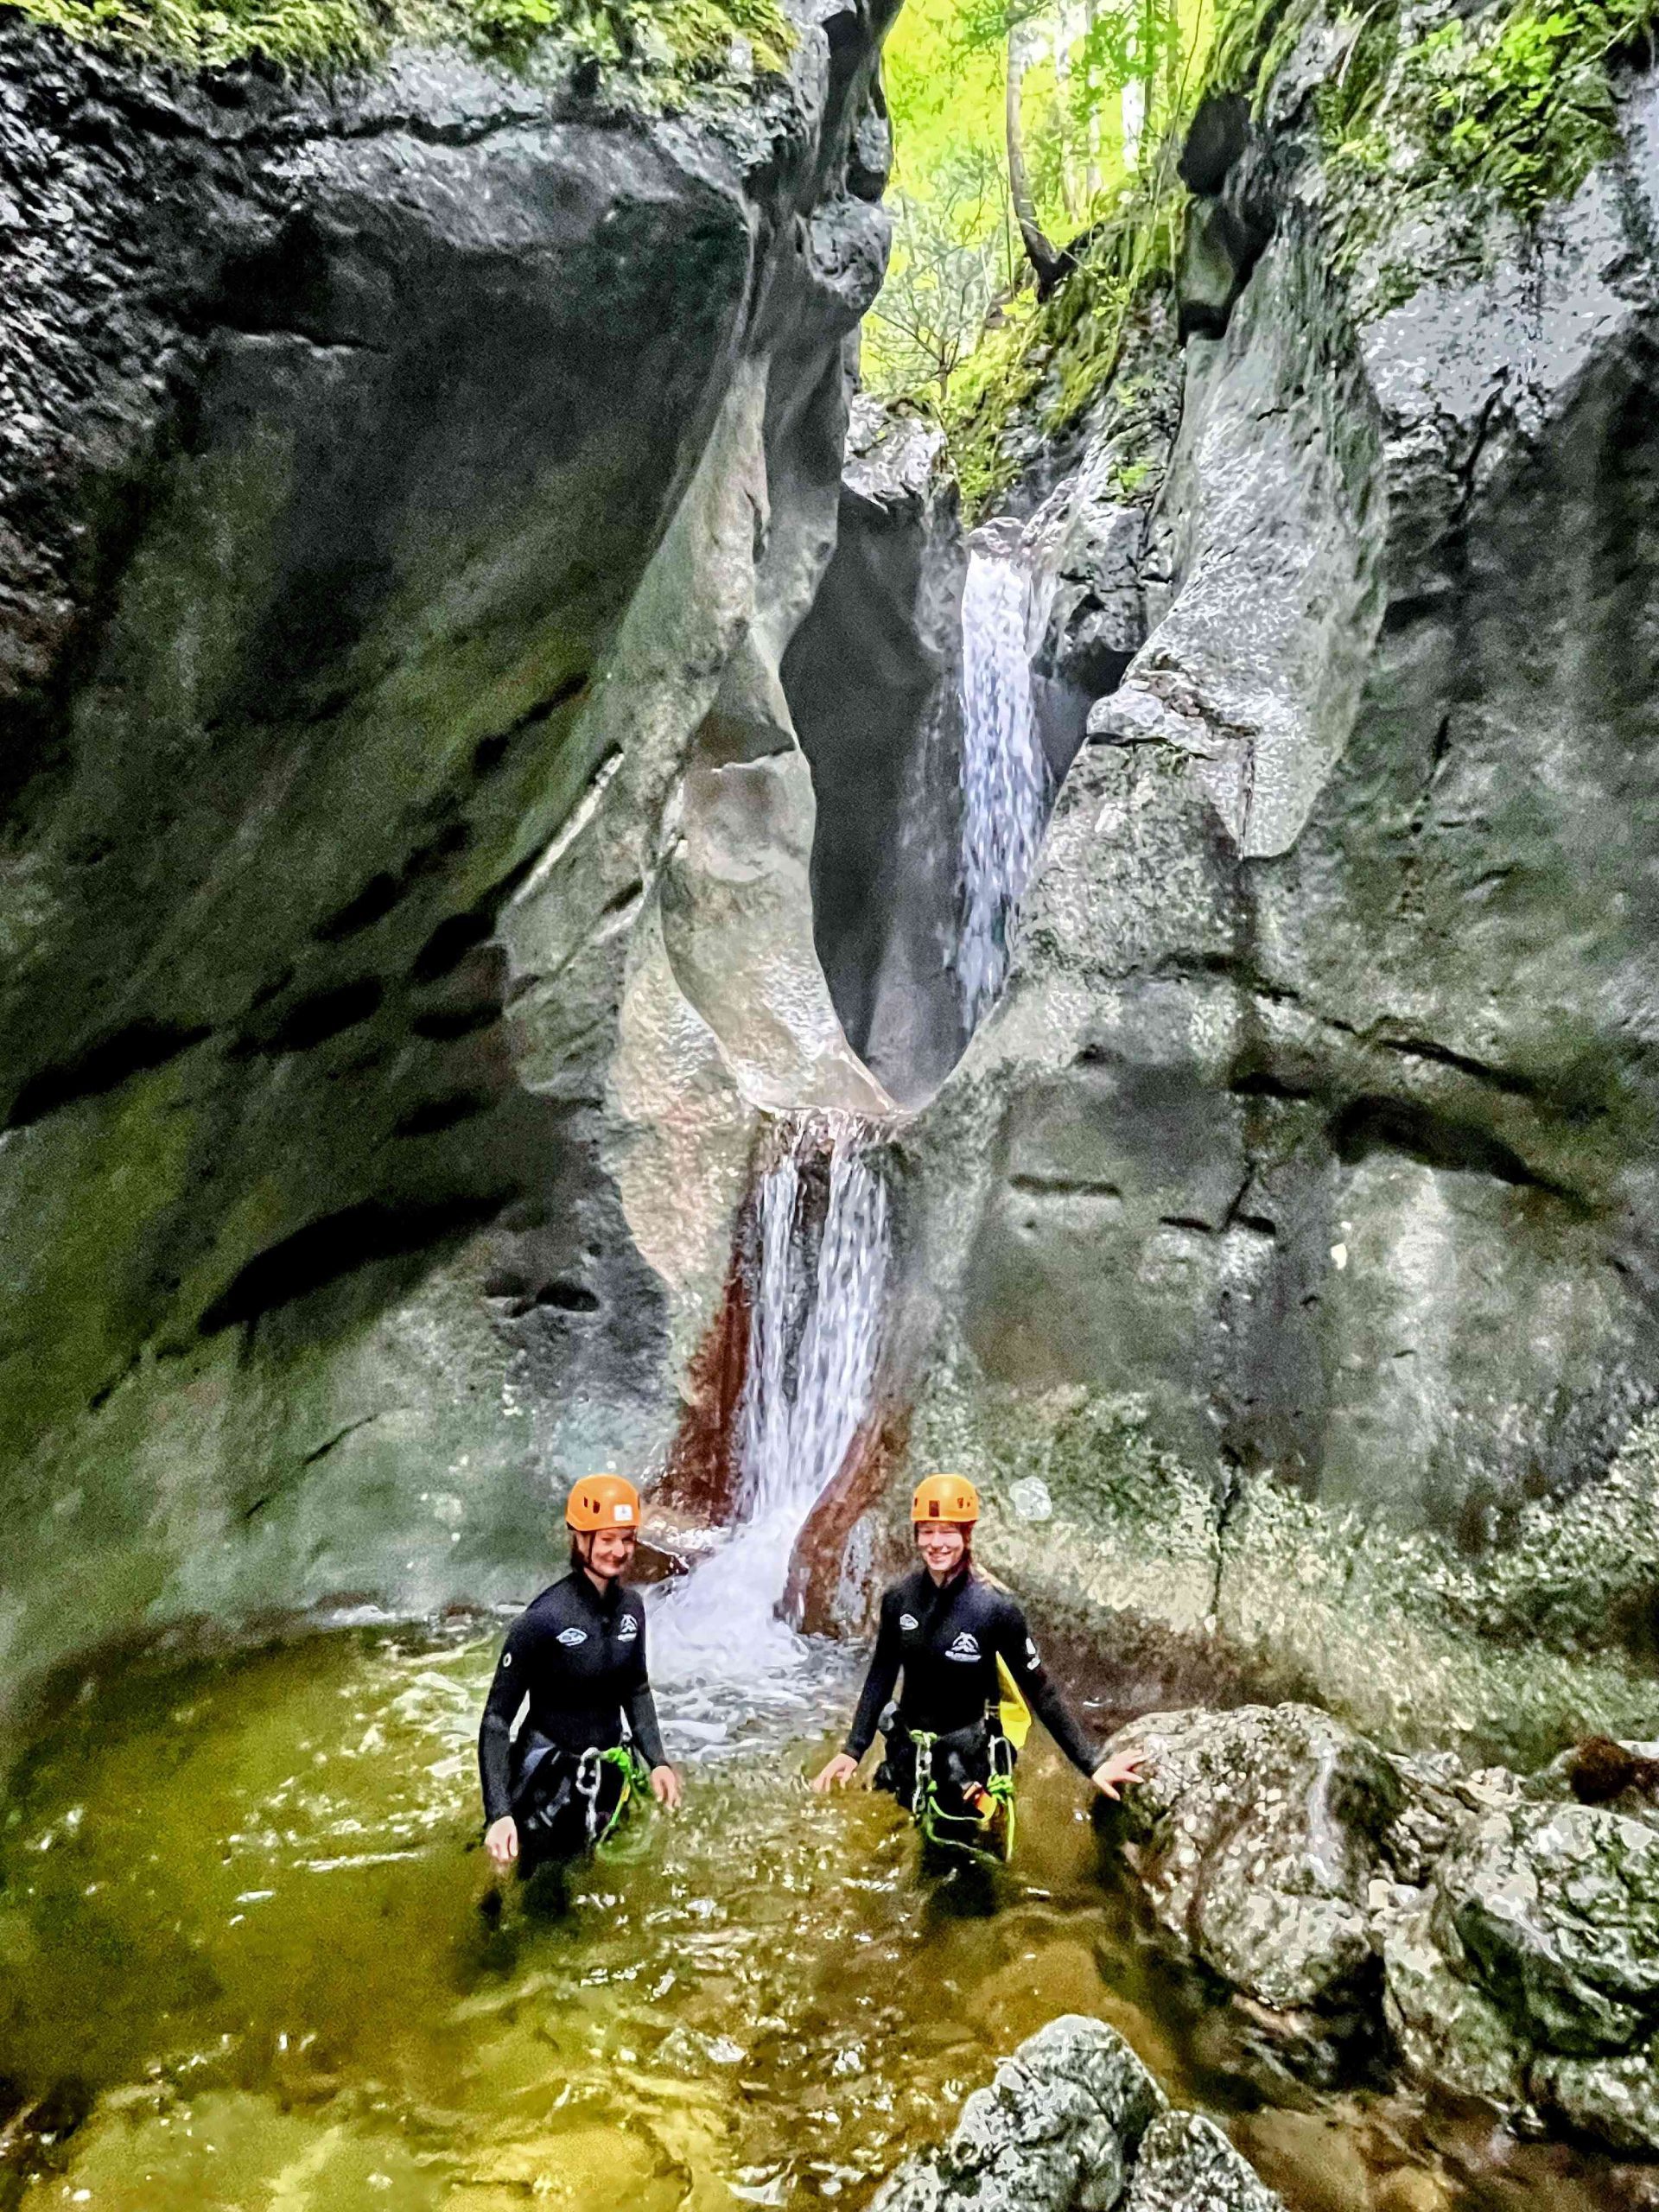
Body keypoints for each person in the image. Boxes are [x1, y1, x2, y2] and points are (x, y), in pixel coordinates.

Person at [810, 1474, 1142, 1852]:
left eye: (948, 1532)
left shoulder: (995, 1611)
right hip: (907, 1753)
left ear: (967, 1535)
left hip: (964, 1763)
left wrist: (1093, 1765)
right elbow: (881, 1676)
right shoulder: (899, 1601)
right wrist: (852, 1750)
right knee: (888, 1855)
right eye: (927, 1531)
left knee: (955, 1867)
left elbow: (1041, 1690)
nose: (936, 1544)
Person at [479, 1473, 682, 1881]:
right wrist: (498, 1815)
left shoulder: (632, 1609)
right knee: (536, 1888)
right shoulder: (542, 1620)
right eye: (607, 1539)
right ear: (580, 1538)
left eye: (627, 1539)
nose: (620, 1550)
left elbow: (636, 1690)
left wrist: (657, 1761)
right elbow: (497, 1722)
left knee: (592, 1880)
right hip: (547, 1783)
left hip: (606, 1772)